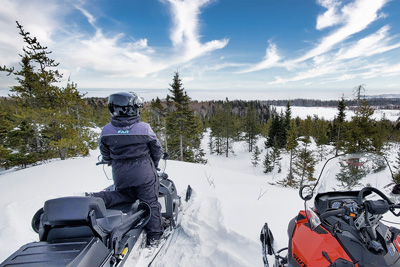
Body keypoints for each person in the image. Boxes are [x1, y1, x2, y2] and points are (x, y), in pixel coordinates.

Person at [90, 92, 163, 246]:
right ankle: (155, 236)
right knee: (150, 202)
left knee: (123, 195)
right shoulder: (144, 128)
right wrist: (154, 164)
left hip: (120, 174)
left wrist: (111, 161)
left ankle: (96, 198)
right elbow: (156, 149)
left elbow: (105, 154)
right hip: (144, 174)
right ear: (132, 109)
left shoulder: (106, 131)